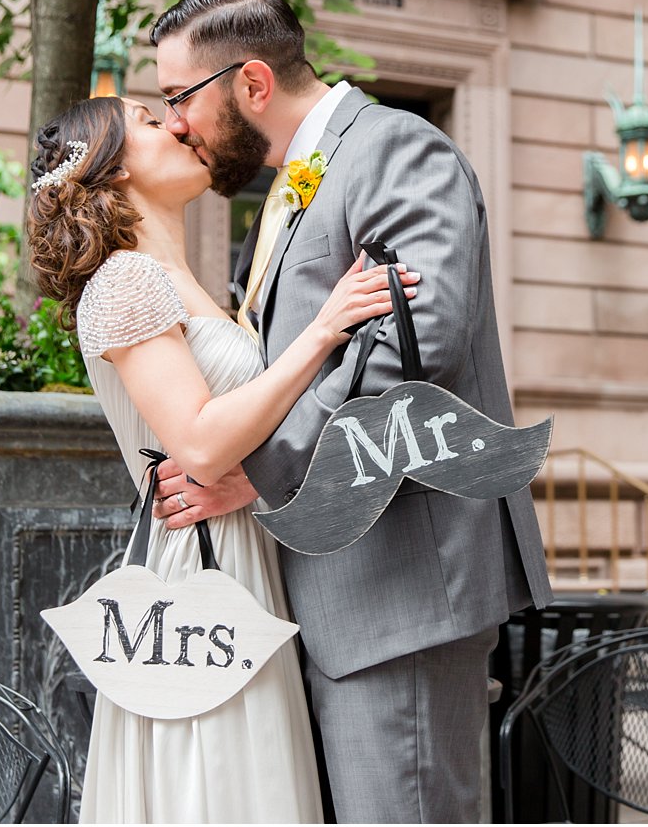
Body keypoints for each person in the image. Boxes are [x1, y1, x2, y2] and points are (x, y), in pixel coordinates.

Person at [148, 0, 554, 823]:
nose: (175, 122)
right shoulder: (294, 185)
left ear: (252, 83)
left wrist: (258, 473)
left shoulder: (399, 151)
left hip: (400, 592)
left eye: (178, 97)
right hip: (337, 595)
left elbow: (414, 350)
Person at [25, 95, 419, 823]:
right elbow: (200, 444)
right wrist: (326, 328)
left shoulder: (185, 280)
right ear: (111, 174)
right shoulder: (123, 280)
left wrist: (257, 483)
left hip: (243, 548)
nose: (177, 124)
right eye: (148, 120)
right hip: (197, 576)